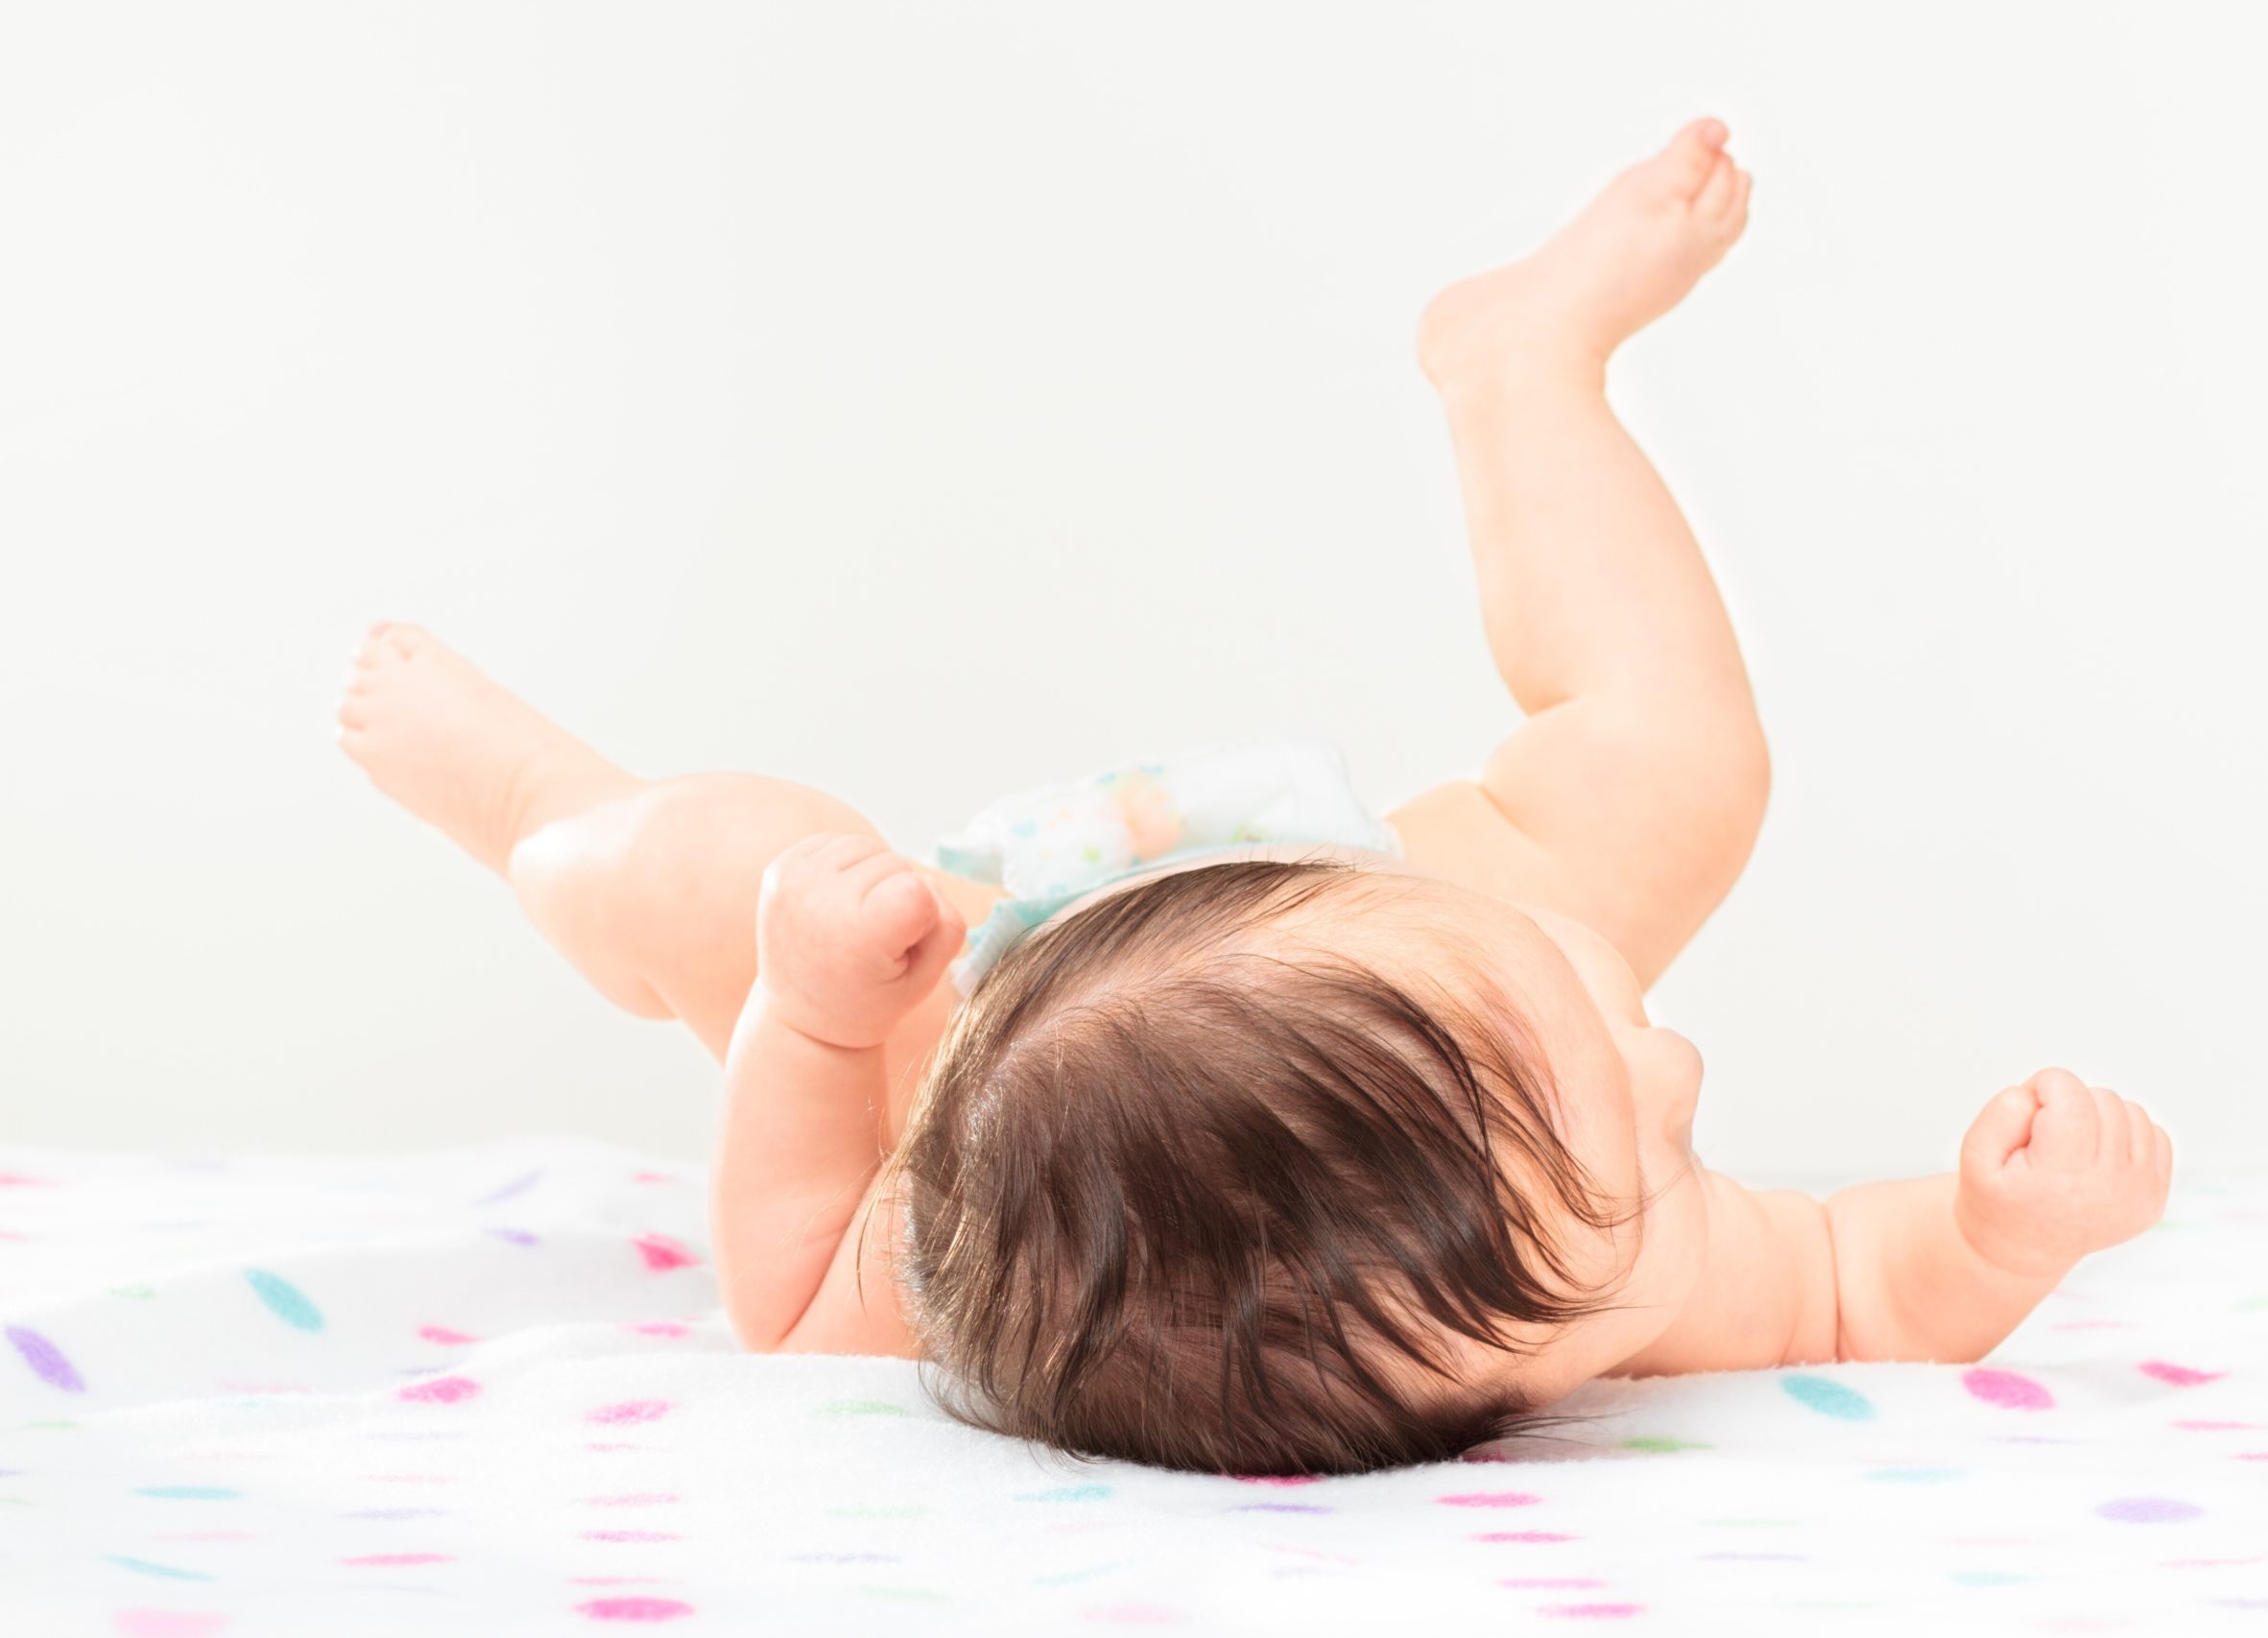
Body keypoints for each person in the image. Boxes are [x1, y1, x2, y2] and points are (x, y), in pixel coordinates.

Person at [339, 118, 2170, 1477]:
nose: (1683, 1068)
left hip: (969, 1002)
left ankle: (534, 808)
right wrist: (2001, 1235)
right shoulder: (1613, 1252)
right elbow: (1866, 1286)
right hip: (1381, 955)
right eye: (1643, 1108)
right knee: (1679, 771)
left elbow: (784, 1269)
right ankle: (1523, 370)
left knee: (747, 873)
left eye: (1641, 1118)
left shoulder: (923, 1259)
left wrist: (819, 1017)